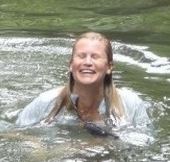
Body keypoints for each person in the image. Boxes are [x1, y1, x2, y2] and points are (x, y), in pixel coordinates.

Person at [15, 32, 149, 133]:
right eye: (81, 56)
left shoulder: (131, 104)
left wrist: (102, 145)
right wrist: (36, 145)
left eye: (95, 57)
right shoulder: (45, 102)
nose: (87, 62)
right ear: (71, 64)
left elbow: (145, 143)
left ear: (109, 67)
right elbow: (10, 132)